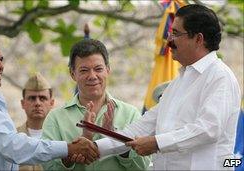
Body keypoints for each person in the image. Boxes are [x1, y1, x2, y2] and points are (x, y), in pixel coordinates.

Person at [94, 4, 241, 170]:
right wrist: (95, 148)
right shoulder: (177, 83)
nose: (169, 39)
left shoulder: (220, 76)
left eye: (175, 33)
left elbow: (208, 129)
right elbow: (143, 126)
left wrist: (157, 143)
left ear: (199, 39)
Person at [0, 37, 99, 170]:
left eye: (1, 60)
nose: (1, 66)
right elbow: (11, 146)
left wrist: (72, 148)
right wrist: (69, 148)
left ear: (52, 102)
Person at [41, 39, 150, 170]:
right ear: (72, 74)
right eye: (84, 70)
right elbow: (47, 167)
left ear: (108, 70)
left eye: (98, 69)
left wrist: (116, 141)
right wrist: (72, 153)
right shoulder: (55, 118)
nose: (92, 76)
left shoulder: (130, 114)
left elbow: (143, 167)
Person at [17, 72, 54, 171]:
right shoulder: (13, 138)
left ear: (51, 103)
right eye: (32, 98)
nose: (37, 103)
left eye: (42, 98)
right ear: (23, 103)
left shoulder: (60, 137)